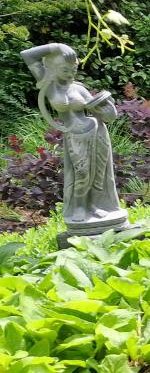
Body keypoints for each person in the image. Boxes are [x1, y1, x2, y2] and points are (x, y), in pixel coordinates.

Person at [21, 43, 129, 240]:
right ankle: (79, 207)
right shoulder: (48, 84)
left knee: (98, 172)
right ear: (53, 69)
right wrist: (57, 46)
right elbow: (27, 55)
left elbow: (98, 110)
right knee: (82, 172)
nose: (71, 73)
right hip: (75, 135)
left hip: (96, 132)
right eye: (65, 70)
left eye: (74, 69)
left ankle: (95, 206)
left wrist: (107, 108)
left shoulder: (78, 87)